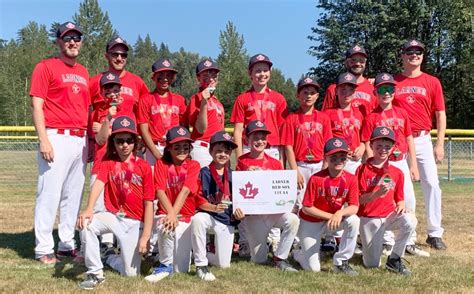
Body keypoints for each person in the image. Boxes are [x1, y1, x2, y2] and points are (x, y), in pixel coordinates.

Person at [30, 21, 90, 264]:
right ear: (58, 42)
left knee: (72, 195)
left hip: (80, 138)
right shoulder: (46, 67)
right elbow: (37, 105)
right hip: (56, 134)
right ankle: (43, 247)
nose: (72, 42)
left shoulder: (84, 72)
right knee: (49, 194)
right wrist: (43, 139)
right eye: (67, 38)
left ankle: (67, 244)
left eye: (76, 38)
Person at [76, 116, 154, 289]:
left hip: (135, 222)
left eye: (128, 140)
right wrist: (89, 209)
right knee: (87, 223)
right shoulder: (108, 162)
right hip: (114, 216)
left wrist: (145, 237)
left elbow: (149, 203)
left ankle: (110, 258)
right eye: (120, 141)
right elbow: (98, 184)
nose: (124, 145)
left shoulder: (144, 166)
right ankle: (95, 273)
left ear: (135, 142)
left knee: (131, 274)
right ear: (114, 143)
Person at [145, 126, 226, 283]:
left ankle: (175, 263)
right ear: (168, 148)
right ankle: (164, 265)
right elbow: (160, 191)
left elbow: (185, 191)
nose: (182, 150)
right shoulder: (162, 164)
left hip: (186, 217)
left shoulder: (194, 165)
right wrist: (171, 214)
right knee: (164, 224)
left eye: (186, 146)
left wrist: (174, 214)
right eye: (176, 147)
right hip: (166, 213)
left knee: (181, 269)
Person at [361, 73, 429, 257]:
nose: (386, 92)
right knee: (384, 202)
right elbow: (367, 142)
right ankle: (387, 242)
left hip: (400, 163)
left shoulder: (401, 112)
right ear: (375, 92)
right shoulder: (371, 117)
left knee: (409, 201)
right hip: (382, 165)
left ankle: (409, 241)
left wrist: (413, 164)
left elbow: (409, 138)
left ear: (394, 91)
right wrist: (373, 165)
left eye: (390, 88)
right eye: (382, 89)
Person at [393, 39, 447, 250]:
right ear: (402, 56)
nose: (413, 55)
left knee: (432, 184)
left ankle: (434, 233)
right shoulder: (394, 82)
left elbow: (440, 114)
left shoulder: (432, 81)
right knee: (405, 189)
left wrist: (440, 144)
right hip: (399, 140)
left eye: (418, 52)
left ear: (423, 56)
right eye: (409, 52)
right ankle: (409, 232)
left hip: (423, 138)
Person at [235, 120, 299, 272]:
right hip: (254, 216)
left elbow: (281, 189)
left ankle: (280, 257)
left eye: (263, 137)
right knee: (259, 260)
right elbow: (238, 190)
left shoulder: (275, 163)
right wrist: (245, 174)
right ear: (247, 140)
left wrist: (290, 203)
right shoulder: (241, 162)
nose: (260, 141)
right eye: (255, 138)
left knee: (292, 219)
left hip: (272, 213)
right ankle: (264, 246)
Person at [294, 138, 360, 275]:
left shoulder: (351, 178)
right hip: (311, 220)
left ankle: (341, 261)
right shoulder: (316, 178)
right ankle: (299, 254)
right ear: (326, 158)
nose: (338, 161)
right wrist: (332, 216)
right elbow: (306, 207)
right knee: (313, 269)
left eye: (342, 157)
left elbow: (354, 206)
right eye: (333, 157)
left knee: (354, 220)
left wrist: (339, 213)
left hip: (333, 219)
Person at [357, 126, 417, 275]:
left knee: (410, 220)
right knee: (372, 265)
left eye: (387, 146)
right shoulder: (362, 169)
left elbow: (400, 199)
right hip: (369, 218)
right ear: (371, 146)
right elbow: (358, 200)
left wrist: (401, 206)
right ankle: (363, 247)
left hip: (388, 217)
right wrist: (376, 194)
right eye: (378, 146)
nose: (383, 149)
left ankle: (394, 259)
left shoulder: (397, 172)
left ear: (393, 148)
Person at [191, 131, 245, 281]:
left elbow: (241, 202)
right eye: (218, 151)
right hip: (209, 216)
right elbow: (197, 199)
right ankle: (201, 264)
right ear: (210, 151)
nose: (223, 154)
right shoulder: (203, 172)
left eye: (227, 151)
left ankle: (206, 253)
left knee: (223, 265)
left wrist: (240, 214)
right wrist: (213, 208)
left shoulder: (234, 175)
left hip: (226, 220)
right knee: (198, 220)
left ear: (231, 153)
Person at [281, 77, 332, 212]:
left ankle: (322, 232)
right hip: (301, 165)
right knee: (298, 202)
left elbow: (328, 145)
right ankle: (297, 232)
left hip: (319, 164)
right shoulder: (291, 119)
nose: (308, 96)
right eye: (305, 92)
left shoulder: (324, 118)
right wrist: (294, 171)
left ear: (317, 96)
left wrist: (325, 168)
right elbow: (288, 147)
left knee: (320, 200)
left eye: (312, 92)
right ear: (298, 95)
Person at [230, 53, 288, 161]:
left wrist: (282, 159)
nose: (262, 74)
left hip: (272, 149)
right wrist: (239, 158)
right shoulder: (242, 98)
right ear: (250, 73)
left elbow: (282, 130)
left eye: (265, 70)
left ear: (270, 72)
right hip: (250, 149)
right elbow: (238, 131)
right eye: (258, 71)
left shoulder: (279, 98)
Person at [137, 58, 187, 167]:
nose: (165, 79)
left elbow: (184, 127)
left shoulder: (179, 99)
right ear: (153, 77)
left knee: (174, 181)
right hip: (154, 148)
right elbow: (144, 130)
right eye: (161, 75)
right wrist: (157, 154)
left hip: (175, 148)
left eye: (169, 75)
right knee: (154, 182)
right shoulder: (145, 99)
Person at [89, 36, 149, 120]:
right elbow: (83, 109)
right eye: (115, 54)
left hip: (128, 132)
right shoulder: (94, 81)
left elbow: (146, 113)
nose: (119, 58)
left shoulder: (138, 82)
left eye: (123, 55)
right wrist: (92, 125)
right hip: (103, 131)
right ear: (106, 56)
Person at [324, 72, 365, 175]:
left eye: (351, 90)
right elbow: (325, 140)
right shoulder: (327, 113)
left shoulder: (360, 113)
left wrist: (362, 147)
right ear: (336, 91)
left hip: (355, 161)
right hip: (336, 160)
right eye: (343, 90)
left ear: (355, 92)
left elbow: (364, 137)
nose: (347, 93)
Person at [186, 59, 225, 167]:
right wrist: (204, 102)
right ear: (198, 78)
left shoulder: (218, 102)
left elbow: (220, 130)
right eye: (206, 75)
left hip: (217, 148)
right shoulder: (196, 99)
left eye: (214, 75)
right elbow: (200, 129)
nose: (211, 79)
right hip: (202, 147)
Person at [322, 44, 377, 116]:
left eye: (361, 60)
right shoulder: (334, 89)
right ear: (346, 62)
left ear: (365, 63)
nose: (357, 63)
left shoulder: (373, 88)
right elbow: (325, 119)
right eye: (353, 60)